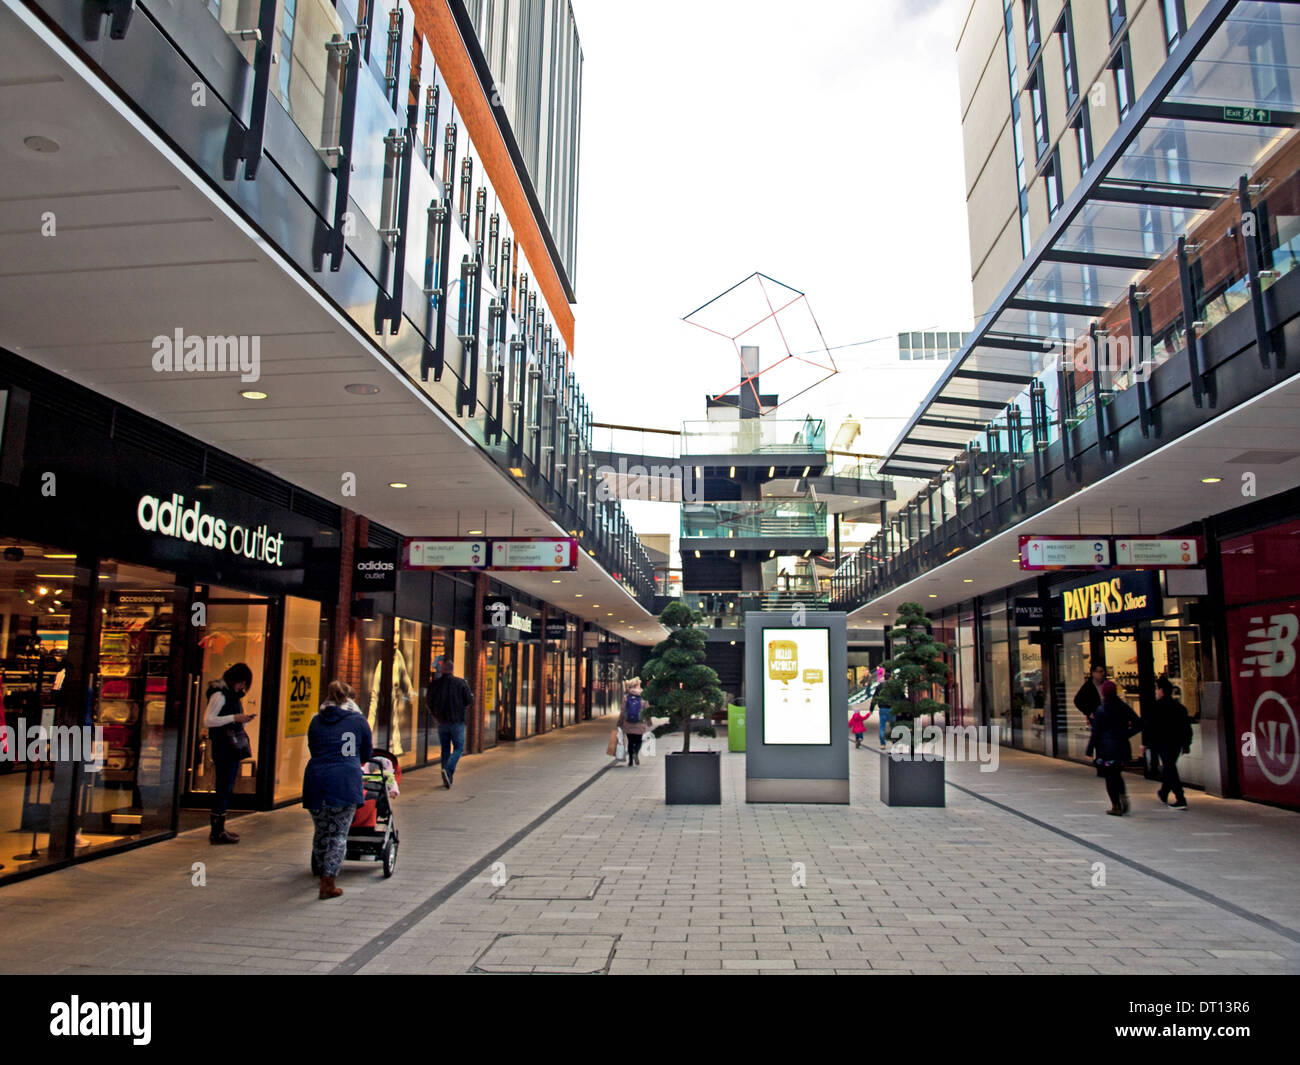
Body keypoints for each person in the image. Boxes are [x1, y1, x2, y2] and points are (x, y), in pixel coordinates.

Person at [302, 681, 371, 899]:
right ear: (350, 700)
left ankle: (322, 870)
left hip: (316, 780)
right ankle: (328, 881)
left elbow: (313, 748)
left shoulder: (316, 721)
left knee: (322, 830)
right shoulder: (358, 721)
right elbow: (367, 753)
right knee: (339, 833)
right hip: (345, 781)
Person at [203, 663, 256, 844]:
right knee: (223, 785)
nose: (243, 688)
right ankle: (216, 830)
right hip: (222, 746)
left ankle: (220, 827)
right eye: (242, 683)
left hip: (230, 746)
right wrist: (234, 718)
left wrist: (243, 720)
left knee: (227, 785)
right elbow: (208, 720)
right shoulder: (219, 694)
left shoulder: (232, 696)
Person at [1086, 680, 1143, 816]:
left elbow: (1096, 732)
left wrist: (1089, 750)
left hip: (1106, 748)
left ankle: (1116, 804)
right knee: (1117, 774)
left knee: (1110, 777)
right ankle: (1123, 795)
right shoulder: (1123, 707)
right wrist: (1127, 734)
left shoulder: (1102, 709)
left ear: (1104, 693)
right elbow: (1139, 723)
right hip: (1122, 746)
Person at [1145, 676, 1192, 809]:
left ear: (1161, 691)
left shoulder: (1155, 707)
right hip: (1176, 743)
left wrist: (1148, 743)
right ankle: (1164, 792)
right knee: (1169, 766)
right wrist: (1186, 744)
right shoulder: (1180, 708)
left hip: (1162, 743)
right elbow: (1186, 728)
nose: (1156, 692)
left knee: (1169, 767)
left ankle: (1180, 797)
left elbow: (1151, 727)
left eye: (1157, 689)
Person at [430, 657, 472, 789]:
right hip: (457, 721)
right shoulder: (460, 683)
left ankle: (447, 778)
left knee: (445, 749)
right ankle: (448, 770)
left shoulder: (435, 684)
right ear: (452, 670)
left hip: (442, 722)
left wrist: (435, 715)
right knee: (459, 747)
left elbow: (429, 701)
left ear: (442, 670)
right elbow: (469, 700)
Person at [617, 677, 650, 766]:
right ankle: (636, 753)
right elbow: (647, 710)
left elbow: (622, 711)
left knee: (630, 741)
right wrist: (649, 721)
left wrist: (620, 721)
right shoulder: (644, 696)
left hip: (628, 723)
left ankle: (631, 760)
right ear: (638, 685)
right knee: (639, 740)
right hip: (640, 722)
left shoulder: (626, 697)